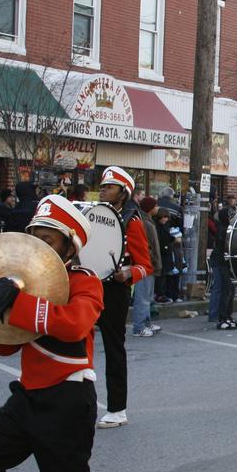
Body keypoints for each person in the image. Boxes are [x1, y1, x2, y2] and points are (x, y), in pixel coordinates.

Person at [0, 194, 103, 472]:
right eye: (34, 237)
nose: (37, 246)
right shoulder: (22, 282)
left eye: (48, 239)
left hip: (67, 402)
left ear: (69, 247)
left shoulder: (84, 281)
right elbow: (6, 346)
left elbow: (74, 325)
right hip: (27, 400)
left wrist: (19, 301)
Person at [96, 166, 153, 428]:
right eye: (103, 186)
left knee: (113, 347)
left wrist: (129, 272)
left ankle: (117, 409)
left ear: (123, 192)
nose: (103, 189)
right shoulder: (96, 216)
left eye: (109, 186)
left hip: (115, 290)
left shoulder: (133, 221)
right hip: (91, 285)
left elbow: (146, 265)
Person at [131, 196, 163, 337]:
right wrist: (153, 260)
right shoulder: (145, 223)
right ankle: (139, 327)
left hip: (149, 264)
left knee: (147, 297)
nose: (157, 208)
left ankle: (146, 322)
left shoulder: (148, 221)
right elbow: (148, 246)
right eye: (155, 206)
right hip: (146, 265)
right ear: (150, 208)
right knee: (143, 297)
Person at [208, 198, 237, 329]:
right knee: (224, 289)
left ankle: (226, 315)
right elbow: (223, 247)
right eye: (230, 215)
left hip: (224, 261)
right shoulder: (223, 229)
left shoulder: (226, 228)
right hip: (222, 262)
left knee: (229, 290)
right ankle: (222, 316)